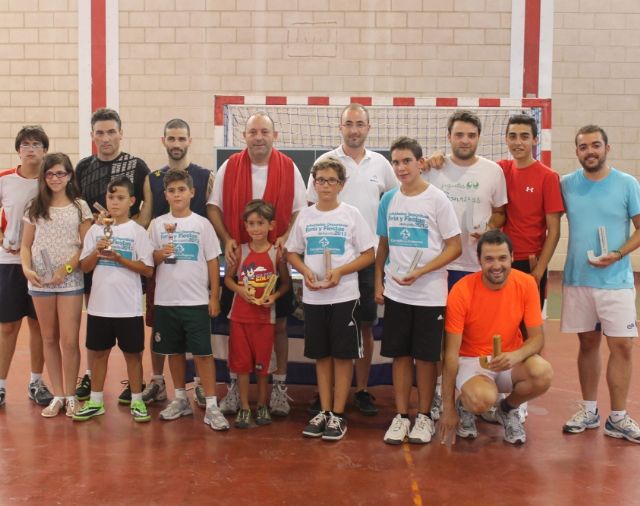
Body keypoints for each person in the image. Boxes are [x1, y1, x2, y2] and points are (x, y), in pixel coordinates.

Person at [207, 112, 307, 417]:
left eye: (264, 131)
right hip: (241, 257)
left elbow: (300, 210)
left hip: (273, 257)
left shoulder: (288, 167)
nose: (259, 136)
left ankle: (277, 386)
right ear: (245, 136)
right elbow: (214, 206)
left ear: (274, 136)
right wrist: (226, 239)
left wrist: (286, 237)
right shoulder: (230, 166)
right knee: (236, 327)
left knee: (278, 324)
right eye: (253, 132)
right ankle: (236, 386)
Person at [306, 103, 397, 416]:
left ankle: (361, 389)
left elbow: (395, 204)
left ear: (368, 128)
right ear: (340, 127)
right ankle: (326, 393)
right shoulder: (324, 162)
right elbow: (309, 208)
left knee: (364, 326)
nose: (354, 129)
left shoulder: (382, 165)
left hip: (367, 261)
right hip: (328, 262)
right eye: (349, 124)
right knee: (328, 327)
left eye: (360, 124)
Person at [375, 137, 461, 445]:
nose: (400, 168)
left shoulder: (437, 200)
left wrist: (423, 271)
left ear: (420, 163)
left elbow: (455, 246)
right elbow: (383, 245)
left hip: (429, 294)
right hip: (397, 293)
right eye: (396, 162)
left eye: (406, 161)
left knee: (426, 358)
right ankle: (401, 416)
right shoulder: (388, 200)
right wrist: (378, 282)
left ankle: (423, 416)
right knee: (400, 355)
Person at [423, 110, 508, 420]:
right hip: (439, 268)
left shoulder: (492, 171)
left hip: (475, 269)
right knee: (439, 339)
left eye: (471, 135)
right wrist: (427, 161)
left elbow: (500, 213)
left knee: (472, 336)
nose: (465, 140)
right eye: (459, 134)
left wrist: (490, 227)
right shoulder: (434, 168)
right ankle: (436, 395)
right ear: (449, 137)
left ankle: (471, 396)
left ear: (478, 138)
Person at [286, 157, 376, 441]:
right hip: (314, 299)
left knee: (342, 356)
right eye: (320, 180)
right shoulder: (306, 216)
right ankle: (324, 410)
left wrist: (340, 272)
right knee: (321, 356)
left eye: (331, 180)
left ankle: (338, 414)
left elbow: (368, 254)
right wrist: (305, 272)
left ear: (342, 184)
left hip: (344, 297)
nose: (325, 185)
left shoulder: (351, 215)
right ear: (314, 184)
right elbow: (292, 252)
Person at [560, 125, 640, 443]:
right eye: (583, 147)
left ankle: (617, 417)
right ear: (577, 151)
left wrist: (618, 253)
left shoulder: (627, 184)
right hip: (578, 279)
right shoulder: (566, 184)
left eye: (596, 145)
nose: (589, 151)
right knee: (588, 344)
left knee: (622, 346)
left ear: (608, 148)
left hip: (616, 281)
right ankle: (590, 410)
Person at [439, 230, 553, 444]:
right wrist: (447, 408)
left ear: (512, 257)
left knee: (543, 373)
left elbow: (537, 339)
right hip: (473, 361)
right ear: (479, 260)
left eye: (502, 258)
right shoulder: (461, 290)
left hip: (510, 360)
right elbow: (451, 354)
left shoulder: (527, 284)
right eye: (489, 259)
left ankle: (507, 409)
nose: (496, 265)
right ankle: (464, 405)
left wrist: (515, 355)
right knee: (483, 399)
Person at [136, 118, 215, 407]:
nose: (176, 144)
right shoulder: (153, 178)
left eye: (182, 139)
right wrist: (115, 229)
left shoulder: (205, 177)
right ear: (164, 141)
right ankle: (157, 382)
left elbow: (212, 216)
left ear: (190, 141)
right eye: (171, 139)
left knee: (195, 328)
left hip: (193, 268)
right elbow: (144, 220)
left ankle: (200, 385)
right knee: (159, 325)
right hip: (162, 268)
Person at [75, 108, 150, 402]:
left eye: (111, 132)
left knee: (130, 331)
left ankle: (136, 387)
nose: (105, 138)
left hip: (126, 256)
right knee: (96, 324)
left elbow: (148, 203)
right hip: (95, 255)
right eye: (100, 133)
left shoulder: (137, 165)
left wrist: (132, 232)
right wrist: (92, 238)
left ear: (120, 133)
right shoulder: (83, 167)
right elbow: (78, 207)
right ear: (92, 136)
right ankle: (91, 379)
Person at [149, 169, 228, 431]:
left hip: (195, 301)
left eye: (181, 189)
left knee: (203, 354)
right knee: (174, 351)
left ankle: (212, 404)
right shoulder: (158, 224)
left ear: (192, 192)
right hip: (166, 301)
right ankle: (180, 398)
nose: (176, 194)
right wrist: (160, 254)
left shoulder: (202, 224)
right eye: (171, 190)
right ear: (165, 195)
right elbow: (149, 261)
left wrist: (213, 296)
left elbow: (212, 261)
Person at [74, 177, 154, 422]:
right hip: (99, 306)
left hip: (128, 308)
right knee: (98, 354)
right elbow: (84, 267)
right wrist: (98, 252)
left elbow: (148, 269)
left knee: (133, 355)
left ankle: (138, 401)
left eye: (120, 198)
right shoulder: (96, 231)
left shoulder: (138, 232)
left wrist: (120, 259)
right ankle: (96, 401)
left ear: (131, 201)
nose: (115, 202)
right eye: (111, 197)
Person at [20, 153, 93, 417]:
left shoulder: (80, 207)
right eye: (50, 174)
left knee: (69, 341)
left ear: (69, 175)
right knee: (48, 338)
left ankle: (73, 396)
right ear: (44, 177)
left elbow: (87, 247)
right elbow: (26, 245)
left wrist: (66, 269)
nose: (55, 178)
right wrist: (27, 269)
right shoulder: (34, 206)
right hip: (40, 283)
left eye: (60, 173)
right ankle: (59, 395)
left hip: (70, 281)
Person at [224, 199, 291, 428]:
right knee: (242, 366)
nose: (255, 228)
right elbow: (228, 280)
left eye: (260, 223)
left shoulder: (276, 254)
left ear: (271, 225)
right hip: (240, 319)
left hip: (265, 320)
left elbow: (285, 284)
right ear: (245, 226)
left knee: (263, 367)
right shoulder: (240, 251)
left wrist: (274, 297)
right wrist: (240, 290)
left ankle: (262, 405)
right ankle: (244, 407)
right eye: (251, 224)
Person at [0, 126, 53, 408]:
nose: (31, 149)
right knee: (7, 326)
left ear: (44, 150)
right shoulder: (5, 179)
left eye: (36, 144)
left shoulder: (50, 181)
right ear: (18, 149)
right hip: (9, 262)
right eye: (26, 144)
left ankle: (36, 382)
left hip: (41, 264)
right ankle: (1, 386)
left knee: (38, 326)